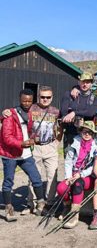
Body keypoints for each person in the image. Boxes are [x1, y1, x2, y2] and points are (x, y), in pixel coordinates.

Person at [2, 86, 62, 214]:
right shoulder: (31, 108)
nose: (45, 99)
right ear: (38, 97)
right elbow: (14, 113)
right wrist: (3, 114)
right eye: (42, 97)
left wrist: (57, 141)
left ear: (52, 98)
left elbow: (60, 126)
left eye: (48, 97)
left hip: (50, 146)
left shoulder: (56, 111)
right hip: (34, 146)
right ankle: (32, 203)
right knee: (34, 176)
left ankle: (48, 203)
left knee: (52, 175)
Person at [0, 89, 45, 222]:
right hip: (10, 155)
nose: (26, 103)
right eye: (24, 100)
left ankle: (41, 204)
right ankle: (9, 209)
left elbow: (33, 130)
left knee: (36, 178)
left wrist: (35, 139)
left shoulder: (32, 113)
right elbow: (6, 137)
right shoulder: (10, 115)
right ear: (19, 99)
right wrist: (22, 143)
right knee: (8, 181)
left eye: (29, 101)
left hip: (26, 154)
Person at [56, 121, 97, 228]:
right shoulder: (74, 142)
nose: (87, 134)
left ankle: (74, 216)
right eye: (85, 131)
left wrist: (81, 174)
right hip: (73, 174)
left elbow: (94, 166)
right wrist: (68, 177)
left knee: (77, 183)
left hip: (88, 176)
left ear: (93, 134)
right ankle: (67, 207)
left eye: (90, 132)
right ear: (81, 132)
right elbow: (68, 161)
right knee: (61, 188)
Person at [60, 72, 97, 153]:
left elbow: (90, 112)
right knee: (69, 158)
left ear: (91, 84)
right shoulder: (69, 95)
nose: (85, 84)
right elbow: (63, 111)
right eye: (83, 81)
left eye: (88, 82)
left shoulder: (94, 99)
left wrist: (74, 113)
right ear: (79, 82)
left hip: (87, 134)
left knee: (85, 159)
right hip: (70, 132)